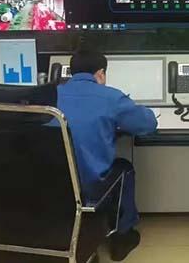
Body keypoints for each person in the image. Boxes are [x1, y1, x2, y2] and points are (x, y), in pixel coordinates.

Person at [56, 47, 158, 261]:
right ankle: (123, 237)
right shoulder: (110, 97)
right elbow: (147, 124)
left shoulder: (49, 96)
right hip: (89, 187)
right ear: (101, 73)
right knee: (124, 169)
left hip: (53, 182)